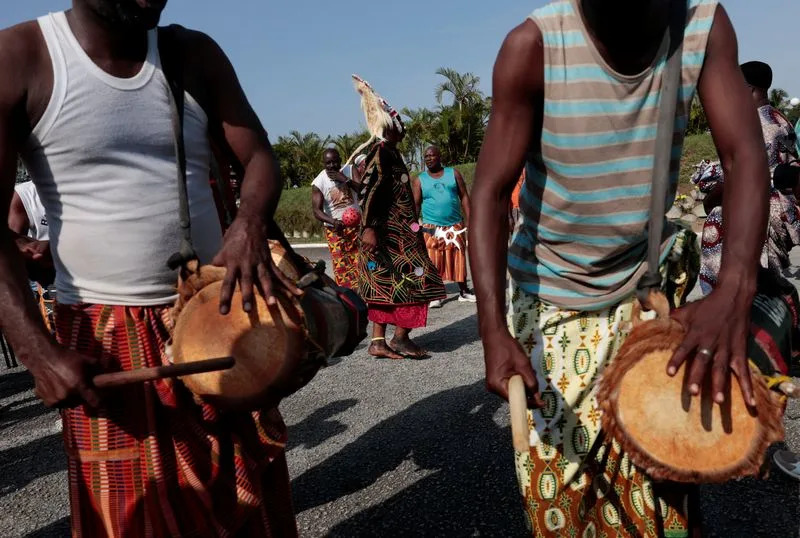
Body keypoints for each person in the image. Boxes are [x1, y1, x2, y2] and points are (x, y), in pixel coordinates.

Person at [0, 1, 303, 535]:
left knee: (247, 508)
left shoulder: (193, 54)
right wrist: (35, 350)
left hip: (215, 313)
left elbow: (257, 157)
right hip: (104, 337)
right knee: (132, 520)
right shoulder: (22, 57)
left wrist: (249, 223)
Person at [469, 0, 769, 535]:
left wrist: (735, 288)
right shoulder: (533, 49)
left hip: (644, 284)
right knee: (560, 496)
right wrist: (492, 330)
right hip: (552, 294)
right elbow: (489, 194)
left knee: (668, 477)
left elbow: (744, 155)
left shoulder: (701, 25)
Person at [351, 75, 445, 360]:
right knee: (420, 277)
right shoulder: (382, 152)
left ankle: (378, 341)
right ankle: (401, 338)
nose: (402, 126)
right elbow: (370, 191)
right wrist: (368, 228)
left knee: (385, 281)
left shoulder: (388, 151)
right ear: (389, 126)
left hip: (396, 234)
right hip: (391, 235)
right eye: (398, 122)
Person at [699, 61, 800, 293]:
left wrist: (711, 198)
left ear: (749, 89)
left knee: (739, 288)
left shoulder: (751, 125)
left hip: (756, 214)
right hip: (782, 211)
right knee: (764, 289)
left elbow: (742, 176)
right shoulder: (780, 120)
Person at [411, 145, 475, 308]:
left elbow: (465, 197)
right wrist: (413, 226)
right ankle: (436, 295)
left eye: (432, 155)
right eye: (426, 156)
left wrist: (470, 221)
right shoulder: (420, 179)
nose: (429, 158)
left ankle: (464, 291)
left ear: (440, 157)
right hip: (432, 227)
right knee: (434, 260)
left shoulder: (453, 174)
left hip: (455, 225)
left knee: (458, 258)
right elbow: (416, 205)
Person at [311, 148, 361, 289]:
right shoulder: (319, 182)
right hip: (335, 231)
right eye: (328, 163)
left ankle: (367, 295)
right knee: (342, 268)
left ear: (340, 160)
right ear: (324, 164)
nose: (332, 166)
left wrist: (346, 180)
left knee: (363, 262)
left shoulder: (350, 170)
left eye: (335, 162)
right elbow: (316, 211)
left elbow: (364, 191)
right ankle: (349, 299)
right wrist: (333, 221)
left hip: (357, 227)